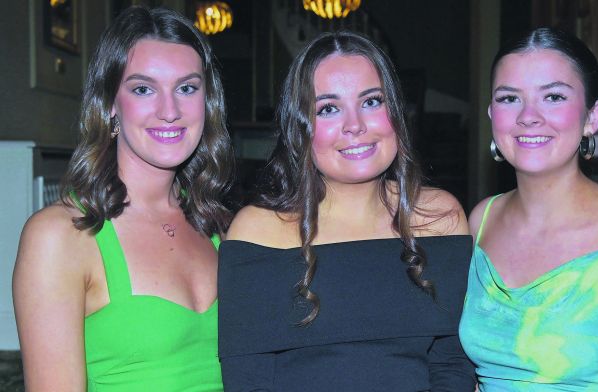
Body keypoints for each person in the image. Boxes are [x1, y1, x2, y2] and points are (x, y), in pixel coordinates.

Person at [218, 31, 475, 391]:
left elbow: (451, 366)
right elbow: (249, 382)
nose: (355, 125)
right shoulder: (257, 232)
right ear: (300, 129)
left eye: (371, 102)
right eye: (328, 108)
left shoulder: (440, 218)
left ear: (396, 114)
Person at [13, 6, 233, 391]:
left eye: (187, 88)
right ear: (111, 104)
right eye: (143, 88)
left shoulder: (220, 226)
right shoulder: (60, 237)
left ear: (207, 103)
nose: (170, 111)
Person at [458, 27, 598, 391]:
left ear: (592, 117)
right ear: (491, 114)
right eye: (509, 99)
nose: (528, 116)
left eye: (553, 96)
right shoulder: (480, 220)